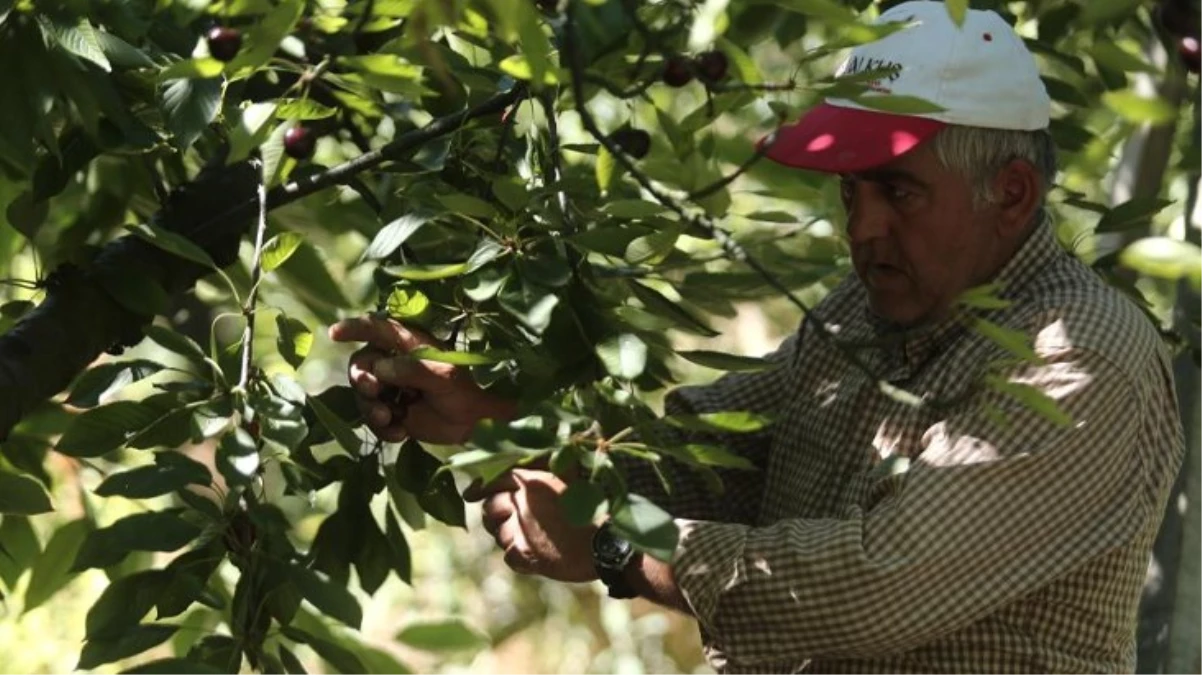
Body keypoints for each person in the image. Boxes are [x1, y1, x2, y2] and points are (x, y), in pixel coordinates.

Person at [329, 1, 1186, 671]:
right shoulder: (864, 310)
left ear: (1011, 194)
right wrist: (493, 409)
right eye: (851, 194)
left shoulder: (1079, 357)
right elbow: (708, 457)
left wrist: (618, 550)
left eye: (899, 192)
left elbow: (873, 587)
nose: (862, 229)